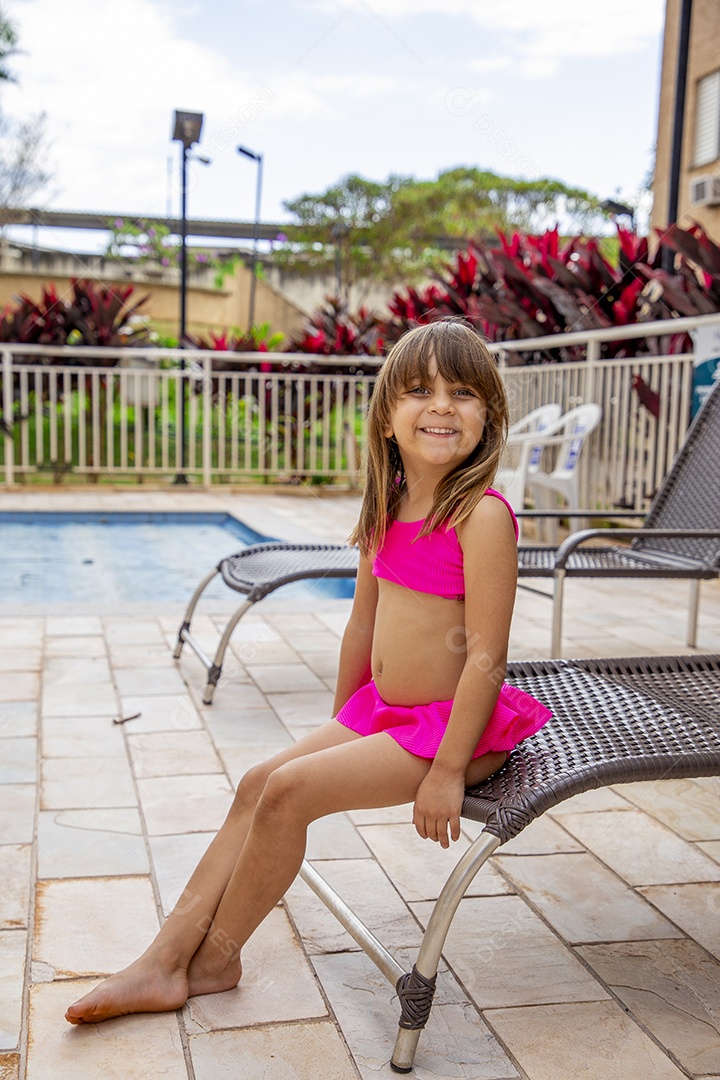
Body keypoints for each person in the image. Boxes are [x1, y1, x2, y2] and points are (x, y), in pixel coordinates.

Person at [65, 318, 551, 1025]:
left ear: (490, 417)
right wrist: (344, 719)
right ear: (387, 415)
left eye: (464, 392)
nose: (442, 405)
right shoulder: (390, 505)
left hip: (457, 732)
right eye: (419, 390)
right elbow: (362, 622)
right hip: (389, 715)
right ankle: (162, 959)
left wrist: (447, 771)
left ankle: (215, 959)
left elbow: (486, 656)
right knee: (257, 782)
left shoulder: (481, 517)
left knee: (288, 792)